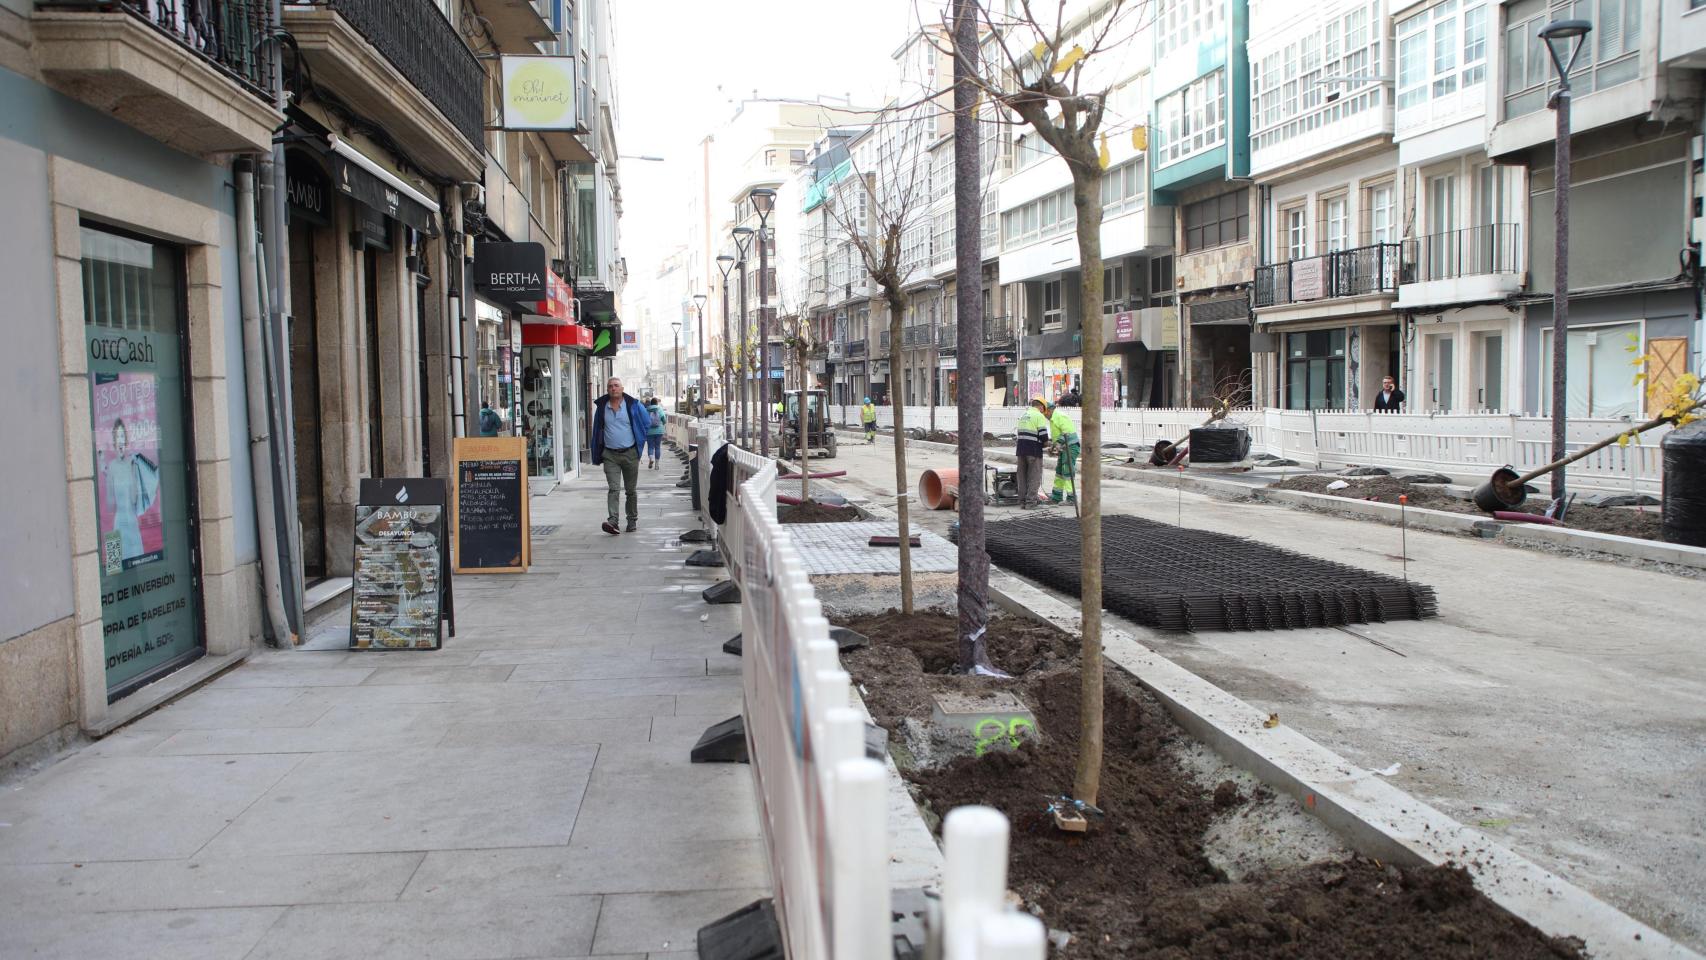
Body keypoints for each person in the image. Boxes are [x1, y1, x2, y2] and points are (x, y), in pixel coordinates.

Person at [590, 376, 651, 535]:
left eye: (616, 385)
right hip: (610, 454)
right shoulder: (602, 407)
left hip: (630, 453)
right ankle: (613, 521)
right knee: (613, 489)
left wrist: (639, 442)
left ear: (622, 388)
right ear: (607, 389)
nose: (613, 388)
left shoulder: (634, 405)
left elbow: (646, 424)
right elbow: (597, 428)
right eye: (610, 386)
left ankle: (632, 520)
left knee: (630, 490)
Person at [1015, 397, 1051, 508]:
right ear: (1041, 407)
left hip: (1021, 450)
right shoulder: (1038, 416)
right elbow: (1043, 435)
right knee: (1034, 476)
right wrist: (1048, 444)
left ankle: (1022, 501)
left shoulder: (1023, 415)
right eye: (1043, 409)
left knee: (1022, 477)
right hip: (1033, 450)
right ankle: (1031, 502)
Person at [1047, 401, 1080, 505]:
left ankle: (1071, 498)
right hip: (1064, 448)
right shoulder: (1053, 419)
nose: (1044, 415)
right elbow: (1057, 436)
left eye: (1044, 413)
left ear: (1049, 410)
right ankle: (1057, 496)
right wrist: (1053, 446)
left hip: (1070, 447)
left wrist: (1058, 444)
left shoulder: (1060, 416)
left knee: (1067, 472)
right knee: (1060, 472)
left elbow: (1067, 432)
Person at [643, 396, 665, 469]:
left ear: (650, 403)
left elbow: (644, 420)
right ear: (657, 403)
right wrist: (663, 423)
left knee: (650, 447)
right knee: (657, 447)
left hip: (649, 432)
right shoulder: (660, 409)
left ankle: (651, 458)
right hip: (659, 431)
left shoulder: (646, 410)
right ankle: (657, 465)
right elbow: (664, 419)